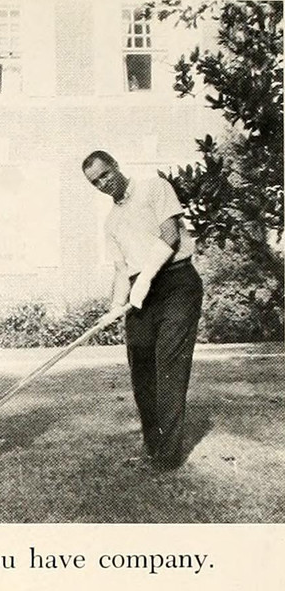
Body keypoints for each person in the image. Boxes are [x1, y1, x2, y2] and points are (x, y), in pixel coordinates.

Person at [82, 150, 203, 470]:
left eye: (105, 174)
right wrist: (113, 307)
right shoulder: (111, 222)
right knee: (141, 370)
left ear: (116, 166)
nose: (103, 183)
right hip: (140, 292)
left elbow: (170, 236)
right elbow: (122, 270)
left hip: (176, 282)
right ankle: (154, 444)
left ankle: (168, 456)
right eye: (95, 182)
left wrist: (146, 278)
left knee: (169, 366)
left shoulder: (154, 187)